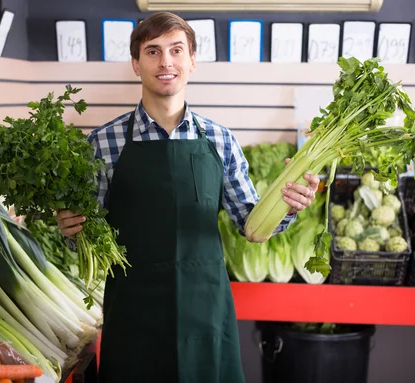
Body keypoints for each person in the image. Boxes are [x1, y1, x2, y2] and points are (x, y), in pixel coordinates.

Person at [56, 11, 320, 383]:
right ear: (136, 64)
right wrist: (70, 232)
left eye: (176, 50)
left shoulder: (220, 140)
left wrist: (288, 205)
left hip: (205, 310)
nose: (166, 62)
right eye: (153, 52)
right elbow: (86, 241)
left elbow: (250, 223)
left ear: (192, 61)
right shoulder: (102, 143)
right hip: (133, 314)